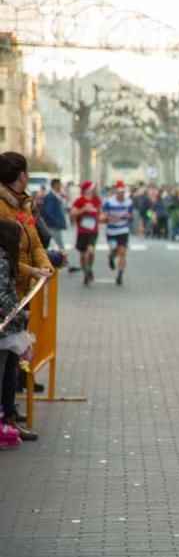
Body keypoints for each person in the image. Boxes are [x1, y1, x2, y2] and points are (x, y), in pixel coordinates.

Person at [0, 153, 54, 440]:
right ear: (19, 175)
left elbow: (33, 242)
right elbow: (4, 257)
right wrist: (31, 269)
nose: (28, 177)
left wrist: (43, 265)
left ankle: (9, 415)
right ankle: (5, 417)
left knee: (11, 358)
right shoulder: (2, 205)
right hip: (6, 290)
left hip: (19, 291)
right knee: (5, 358)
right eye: (26, 172)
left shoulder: (22, 204)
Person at [70, 179, 101, 285]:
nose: (95, 190)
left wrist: (102, 219)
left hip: (93, 230)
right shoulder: (79, 201)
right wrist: (84, 209)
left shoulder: (97, 200)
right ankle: (86, 272)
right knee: (83, 255)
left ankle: (89, 268)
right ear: (88, 189)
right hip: (82, 231)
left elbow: (100, 213)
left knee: (91, 251)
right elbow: (72, 214)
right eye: (93, 188)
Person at [102, 183, 133, 286]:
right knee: (114, 250)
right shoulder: (109, 202)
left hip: (123, 229)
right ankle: (111, 257)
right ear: (116, 193)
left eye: (123, 193)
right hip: (111, 230)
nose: (121, 195)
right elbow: (104, 216)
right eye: (119, 193)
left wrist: (128, 216)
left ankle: (120, 275)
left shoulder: (129, 202)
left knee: (122, 252)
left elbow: (130, 214)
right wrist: (112, 218)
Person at [40, 178, 68, 251]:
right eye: (59, 185)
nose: (60, 187)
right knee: (59, 244)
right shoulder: (50, 197)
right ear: (55, 185)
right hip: (52, 224)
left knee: (56, 243)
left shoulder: (55, 195)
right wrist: (57, 221)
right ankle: (62, 258)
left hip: (53, 224)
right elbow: (48, 211)